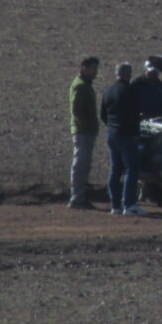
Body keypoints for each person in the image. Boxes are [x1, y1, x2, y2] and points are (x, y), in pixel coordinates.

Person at [99, 62, 147, 216]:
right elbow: (136, 112)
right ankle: (129, 204)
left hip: (112, 135)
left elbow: (103, 115)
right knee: (131, 169)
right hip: (127, 135)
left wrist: (112, 126)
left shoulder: (108, 91)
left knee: (115, 169)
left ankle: (115, 205)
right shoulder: (129, 91)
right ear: (128, 74)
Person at [68, 56, 100, 209]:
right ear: (84, 68)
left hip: (86, 131)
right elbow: (77, 111)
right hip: (83, 132)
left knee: (83, 164)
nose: (96, 73)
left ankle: (79, 196)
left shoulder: (84, 85)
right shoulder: (81, 86)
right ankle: (77, 198)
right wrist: (87, 126)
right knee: (80, 164)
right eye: (93, 69)